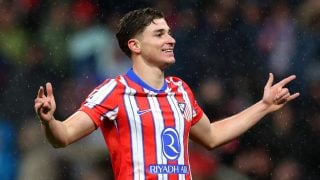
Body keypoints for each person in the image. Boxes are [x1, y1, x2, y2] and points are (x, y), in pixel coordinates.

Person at [34, 7, 300, 180]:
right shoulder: (113, 91)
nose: (170, 40)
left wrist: (263, 106)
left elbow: (212, 136)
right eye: (159, 34)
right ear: (135, 45)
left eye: (169, 33)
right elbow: (64, 136)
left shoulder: (180, 90)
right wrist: (49, 121)